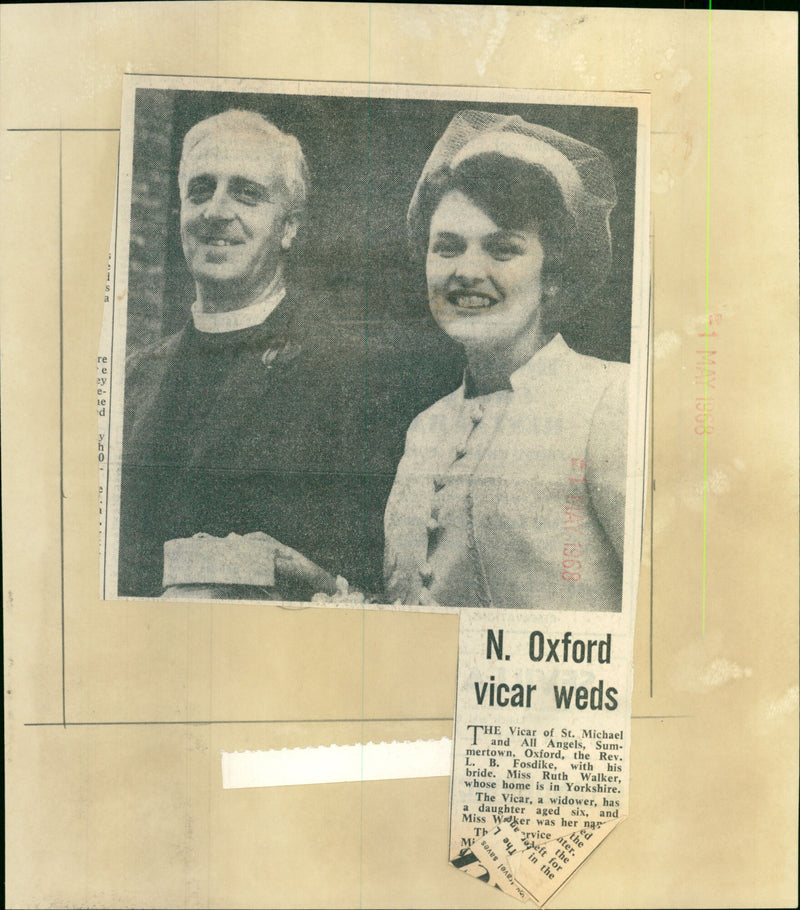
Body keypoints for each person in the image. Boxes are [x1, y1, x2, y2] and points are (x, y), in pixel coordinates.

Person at [118, 109, 372, 599]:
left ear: (289, 227)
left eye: (247, 194)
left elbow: (375, 586)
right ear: (181, 216)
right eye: (200, 190)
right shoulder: (136, 377)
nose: (216, 212)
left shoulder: (346, 372)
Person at [382, 110, 629, 610]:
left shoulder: (611, 400)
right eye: (447, 247)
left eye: (503, 249)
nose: (467, 271)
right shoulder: (425, 430)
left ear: (554, 274)